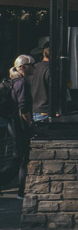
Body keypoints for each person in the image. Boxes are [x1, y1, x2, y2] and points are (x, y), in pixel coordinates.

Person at [8, 55, 32, 197]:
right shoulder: (22, 83)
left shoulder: (14, 81)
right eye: (31, 64)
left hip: (14, 123)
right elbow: (23, 106)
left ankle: (21, 190)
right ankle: (21, 190)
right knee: (22, 157)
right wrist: (29, 123)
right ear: (22, 67)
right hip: (20, 124)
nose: (34, 67)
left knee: (20, 156)